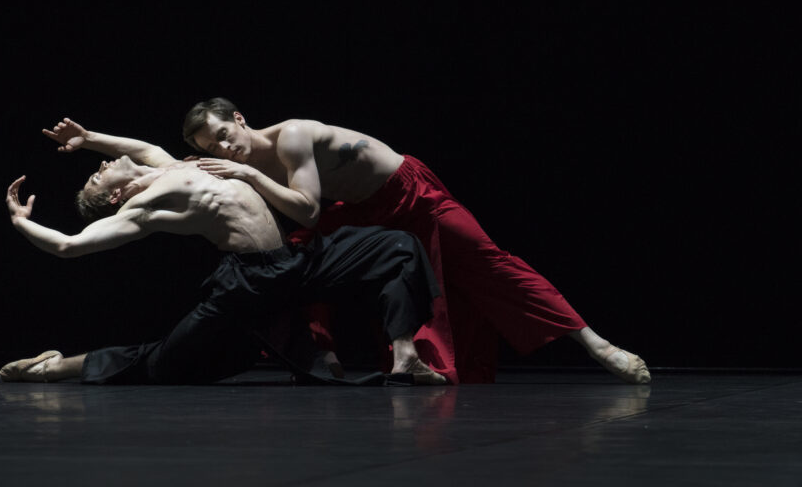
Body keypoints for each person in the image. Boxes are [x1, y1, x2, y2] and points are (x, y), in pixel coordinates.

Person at [181, 97, 651, 384]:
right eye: (211, 148)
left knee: (491, 263)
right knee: (296, 258)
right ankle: (325, 359)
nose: (223, 150)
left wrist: (245, 173)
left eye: (224, 135)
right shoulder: (237, 163)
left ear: (240, 118)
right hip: (361, 212)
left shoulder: (292, 136)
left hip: (410, 194)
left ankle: (597, 345)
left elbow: (306, 206)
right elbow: (151, 157)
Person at [0, 121, 447, 386]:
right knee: (166, 364)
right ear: (115, 198)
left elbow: (143, 149)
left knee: (398, 247)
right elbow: (68, 246)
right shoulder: (143, 205)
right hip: (247, 284)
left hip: (292, 264)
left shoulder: (168, 167)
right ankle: (57, 367)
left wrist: (89, 136)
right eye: (97, 180)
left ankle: (406, 354)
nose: (99, 168)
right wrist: (21, 222)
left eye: (95, 169)